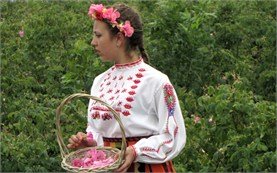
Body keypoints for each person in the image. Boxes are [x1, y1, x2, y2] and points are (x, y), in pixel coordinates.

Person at [67, 3, 186, 173]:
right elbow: (95, 129)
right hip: (111, 167)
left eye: (98, 35)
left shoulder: (157, 82)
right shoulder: (99, 81)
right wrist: (92, 144)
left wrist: (136, 150)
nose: (93, 42)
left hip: (148, 168)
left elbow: (173, 135)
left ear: (119, 39)